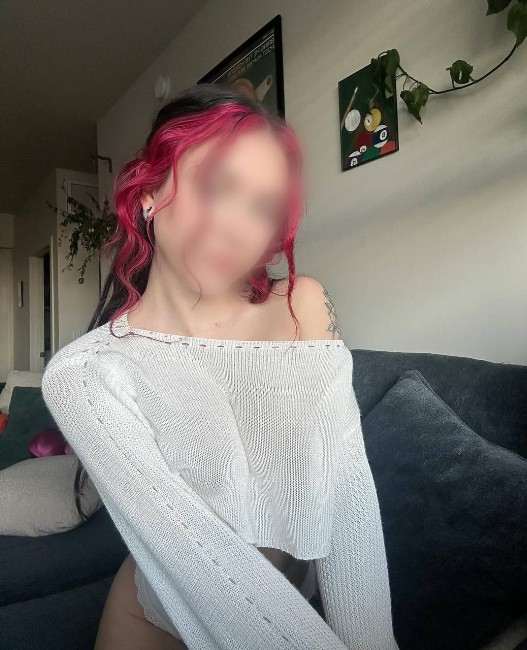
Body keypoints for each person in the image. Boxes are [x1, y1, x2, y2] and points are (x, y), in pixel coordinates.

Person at [41, 83, 399, 650]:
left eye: (262, 208)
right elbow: (197, 560)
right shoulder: (86, 374)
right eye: (215, 187)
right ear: (149, 193)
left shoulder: (301, 306)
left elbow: (346, 490)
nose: (236, 227)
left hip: (294, 607)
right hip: (154, 621)